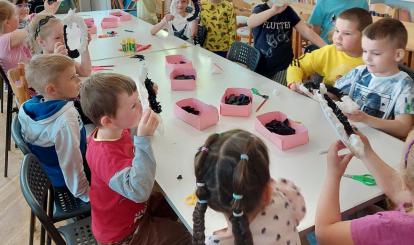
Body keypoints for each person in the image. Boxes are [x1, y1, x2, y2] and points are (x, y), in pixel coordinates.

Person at [80, 73, 192, 244]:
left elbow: (131, 133)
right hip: (124, 234)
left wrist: (149, 96)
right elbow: (138, 191)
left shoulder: (114, 130)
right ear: (108, 121)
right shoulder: (104, 156)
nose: (140, 106)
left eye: (139, 100)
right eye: (133, 105)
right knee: (188, 235)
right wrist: (143, 139)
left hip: (130, 211)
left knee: (177, 203)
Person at [192, 129, 306, 245]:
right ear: (267, 193)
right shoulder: (284, 196)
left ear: (208, 200)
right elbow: (299, 211)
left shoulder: (215, 243)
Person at [315, 130, 414, 245]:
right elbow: (399, 191)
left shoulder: (387, 227)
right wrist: (366, 152)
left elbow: (325, 235)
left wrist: (333, 175)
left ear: (405, 181)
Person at [18, 54, 90, 202]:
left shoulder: (28, 106)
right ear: (51, 89)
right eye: (72, 77)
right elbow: (72, 163)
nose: (78, 80)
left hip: (49, 170)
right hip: (64, 180)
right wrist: (85, 193)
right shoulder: (65, 119)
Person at [334, 18, 414, 139]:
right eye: (365, 51)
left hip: (380, 144)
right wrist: (314, 92)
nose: (367, 58)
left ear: (397, 55)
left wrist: (366, 119)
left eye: (376, 53)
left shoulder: (405, 86)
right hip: (350, 135)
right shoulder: (359, 72)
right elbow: (334, 92)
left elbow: (403, 128)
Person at [287, 8, 372, 91]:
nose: (338, 37)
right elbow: (298, 64)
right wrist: (295, 82)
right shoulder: (329, 52)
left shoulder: (374, 62)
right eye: (337, 31)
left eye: (347, 33)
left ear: (365, 37)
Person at [247, 1, 326, 85]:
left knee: (279, 92)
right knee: (261, 90)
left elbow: (306, 31)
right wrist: (273, 11)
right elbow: (250, 22)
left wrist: (326, 47)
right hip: (260, 63)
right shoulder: (261, 9)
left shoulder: (288, 11)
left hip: (283, 65)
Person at [27, 14, 91, 77]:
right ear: (41, 42)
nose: (63, 40)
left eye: (64, 35)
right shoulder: (38, 64)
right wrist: (56, 60)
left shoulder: (64, 55)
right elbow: (49, 82)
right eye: (57, 38)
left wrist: (84, 46)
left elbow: (85, 72)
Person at [0, 0, 31, 71]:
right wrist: (32, 20)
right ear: (7, 23)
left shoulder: (8, 38)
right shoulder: (3, 39)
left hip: (26, 73)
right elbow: (27, 31)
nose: (18, 17)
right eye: (15, 15)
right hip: (19, 80)